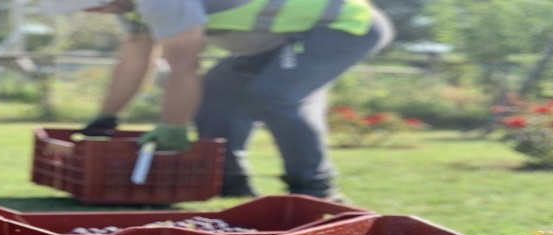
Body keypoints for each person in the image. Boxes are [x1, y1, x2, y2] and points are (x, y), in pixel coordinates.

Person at [40, 0, 394, 201]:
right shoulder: (130, 8)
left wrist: (174, 126)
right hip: (272, 42)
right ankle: (229, 182)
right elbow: (135, 60)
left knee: (276, 95)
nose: (89, 11)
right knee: (216, 91)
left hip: (340, 27)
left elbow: (183, 64)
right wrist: (106, 117)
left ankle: (316, 191)